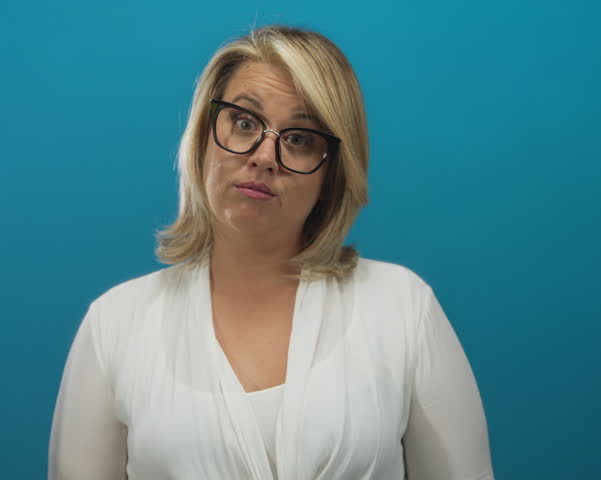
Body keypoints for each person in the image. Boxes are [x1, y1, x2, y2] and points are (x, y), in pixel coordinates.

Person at [48, 25, 494, 480]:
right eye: (244, 122)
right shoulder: (114, 325)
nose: (264, 156)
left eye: (299, 138)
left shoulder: (402, 308)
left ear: (332, 175)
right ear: (204, 135)